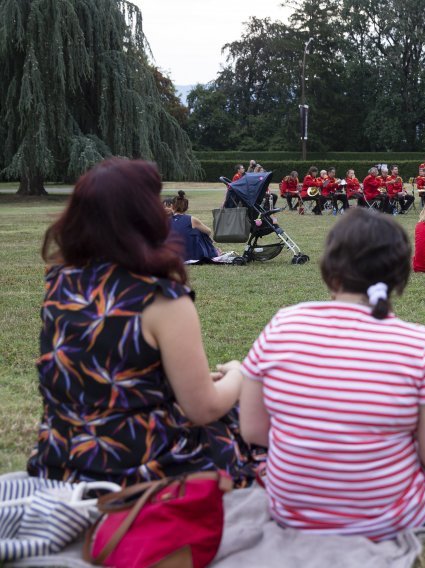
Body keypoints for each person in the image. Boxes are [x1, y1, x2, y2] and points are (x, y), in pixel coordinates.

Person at [238, 207, 425, 540]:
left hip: (291, 514)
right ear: (399, 277)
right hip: (391, 520)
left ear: (330, 270)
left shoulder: (282, 324)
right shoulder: (418, 343)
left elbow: (255, 431)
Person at [28, 158, 259, 487]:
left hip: (62, 460)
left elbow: (103, 375)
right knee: (247, 421)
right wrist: (239, 376)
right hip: (138, 467)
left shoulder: (60, 283)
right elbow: (203, 409)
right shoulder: (161, 298)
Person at [170, 190, 219, 261]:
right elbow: (209, 231)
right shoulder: (191, 219)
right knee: (200, 232)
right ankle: (212, 252)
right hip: (189, 254)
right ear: (186, 207)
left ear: (172, 206)